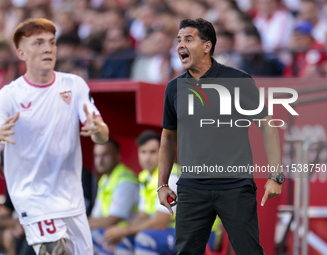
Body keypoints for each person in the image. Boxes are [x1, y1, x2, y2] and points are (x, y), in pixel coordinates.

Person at [158, 18, 283, 255]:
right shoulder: (173, 88)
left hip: (235, 186)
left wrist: (275, 175)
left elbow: (268, 126)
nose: (180, 45)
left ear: (207, 46)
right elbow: (167, 137)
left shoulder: (238, 80)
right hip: (191, 187)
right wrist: (162, 184)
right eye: (179, 40)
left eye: (189, 39)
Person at [0, 18, 109, 255]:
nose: (47, 48)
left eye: (52, 43)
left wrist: (98, 131)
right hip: (33, 198)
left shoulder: (74, 85)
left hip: (71, 200)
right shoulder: (8, 96)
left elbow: (101, 135)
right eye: (38, 43)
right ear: (21, 52)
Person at [89, 140, 139, 254]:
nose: (99, 160)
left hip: (129, 233)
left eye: (105, 155)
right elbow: (95, 217)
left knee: (93, 238)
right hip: (112, 231)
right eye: (96, 155)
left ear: (117, 156)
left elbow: (113, 220)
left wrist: (78, 227)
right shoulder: (105, 180)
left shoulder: (125, 181)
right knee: (84, 239)